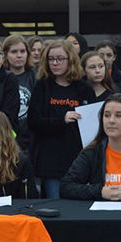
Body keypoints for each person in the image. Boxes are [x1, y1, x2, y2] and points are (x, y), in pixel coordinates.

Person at [28, 39, 95, 199]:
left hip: (79, 158)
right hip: (51, 159)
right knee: (55, 205)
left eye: (60, 59)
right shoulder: (42, 86)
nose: (55, 63)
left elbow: (93, 125)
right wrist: (61, 120)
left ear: (70, 60)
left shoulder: (84, 88)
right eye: (51, 59)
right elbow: (33, 120)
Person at [3, 34, 36, 150]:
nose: (19, 55)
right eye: (14, 52)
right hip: (8, 138)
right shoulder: (1, 78)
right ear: (6, 55)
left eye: (22, 51)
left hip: (33, 137)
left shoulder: (35, 77)